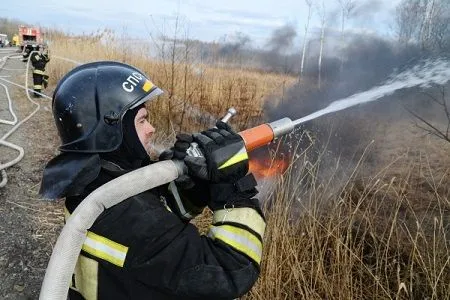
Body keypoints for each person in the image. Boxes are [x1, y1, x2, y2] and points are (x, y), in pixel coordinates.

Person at [40, 61, 265, 300]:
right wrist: (232, 189)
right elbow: (231, 271)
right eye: (141, 120)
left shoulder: (94, 184)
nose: (152, 128)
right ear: (113, 129)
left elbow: (158, 216)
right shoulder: (125, 217)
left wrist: (195, 184)